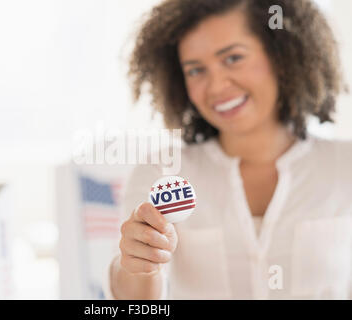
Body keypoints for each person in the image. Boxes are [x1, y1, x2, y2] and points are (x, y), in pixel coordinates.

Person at [105, 0, 352, 299]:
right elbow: (133, 300)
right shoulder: (163, 171)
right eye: (196, 70)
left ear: (281, 56)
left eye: (233, 58)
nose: (217, 85)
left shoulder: (344, 166)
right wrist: (137, 264)